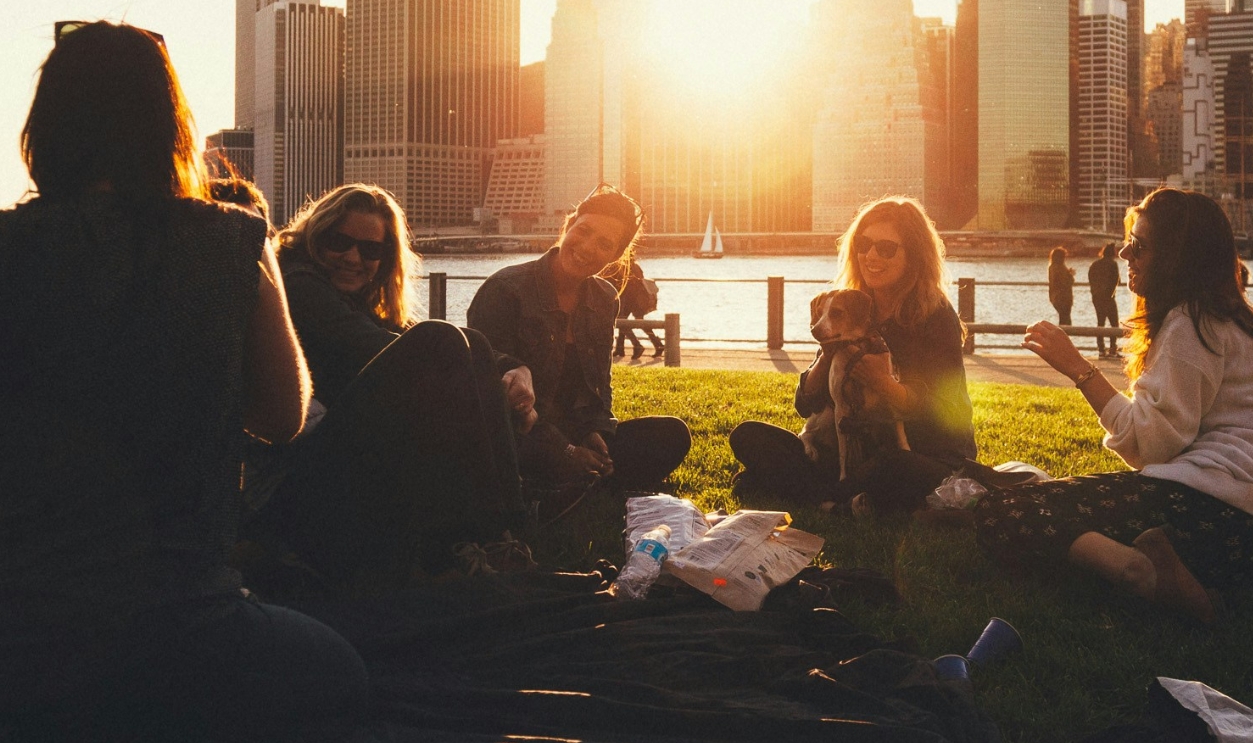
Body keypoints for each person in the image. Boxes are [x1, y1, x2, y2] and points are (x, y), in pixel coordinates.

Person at [0, 21, 367, 738]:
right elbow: (283, 416)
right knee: (341, 676)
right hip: (179, 626)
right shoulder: (232, 239)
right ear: (169, 126)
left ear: (45, 128)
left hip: (23, 632)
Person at [977, 188, 1253, 624]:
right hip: (1235, 526)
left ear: (1177, 258)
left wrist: (1077, 368)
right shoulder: (1233, 321)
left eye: (1139, 246)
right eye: (1128, 240)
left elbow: (1150, 446)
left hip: (1203, 505)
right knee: (1058, 505)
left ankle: (1142, 574)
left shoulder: (1190, 323)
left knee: (1004, 512)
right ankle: (1182, 574)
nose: (1125, 253)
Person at [252, 183, 532, 591]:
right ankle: (484, 538)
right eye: (339, 242)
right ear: (316, 236)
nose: (353, 258)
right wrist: (477, 384)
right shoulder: (298, 283)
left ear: (385, 259)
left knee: (468, 341)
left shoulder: (353, 299)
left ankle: (498, 538)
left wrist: (512, 369)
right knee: (441, 343)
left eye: (371, 250)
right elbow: (389, 347)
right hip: (291, 482)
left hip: (331, 464)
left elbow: (414, 335)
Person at [729, 197, 1016, 515]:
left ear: (914, 255)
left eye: (886, 248)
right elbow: (805, 404)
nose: (871, 256)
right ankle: (839, 497)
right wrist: (827, 355)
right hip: (851, 453)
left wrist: (884, 384)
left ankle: (809, 493)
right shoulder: (849, 306)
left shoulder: (935, 316)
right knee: (748, 435)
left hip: (921, 454)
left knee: (892, 466)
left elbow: (941, 410)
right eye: (863, 245)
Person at [467, 184, 691, 494]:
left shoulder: (605, 298)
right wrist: (565, 450)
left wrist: (595, 431)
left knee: (671, 434)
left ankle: (575, 479)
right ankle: (568, 482)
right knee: (504, 445)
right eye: (583, 231)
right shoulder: (506, 289)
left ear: (615, 256)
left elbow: (600, 386)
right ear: (569, 224)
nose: (586, 247)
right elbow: (487, 391)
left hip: (570, 433)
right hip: (517, 432)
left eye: (604, 244)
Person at [607, 260, 664, 359]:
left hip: (628, 298)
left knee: (622, 321)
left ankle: (637, 345)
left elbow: (619, 283)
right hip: (637, 298)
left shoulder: (622, 266)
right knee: (634, 321)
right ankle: (657, 344)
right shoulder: (635, 266)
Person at [1088, 242, 1122, 358]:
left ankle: (1101, 350)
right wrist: (1110, 294)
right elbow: (1116, 281)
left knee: (1100, 323)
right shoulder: (1113, 264)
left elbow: (1091, 279)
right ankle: (1113, 349)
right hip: (1109, 297)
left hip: (1097, 298)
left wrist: (1094, 292)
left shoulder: (1095, 264)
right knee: (1114, 324)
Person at [1048, 246, 1075, 326]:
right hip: (1064, 297)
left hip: (1055, 296)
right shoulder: (1061, 268)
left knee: (1063, 318)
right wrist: (1070, 275)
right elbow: (1067, 282)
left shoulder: (1052, 267)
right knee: (1066, 319)